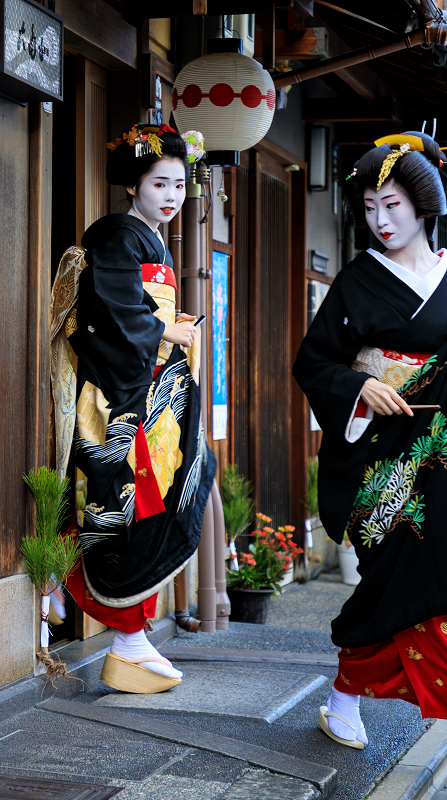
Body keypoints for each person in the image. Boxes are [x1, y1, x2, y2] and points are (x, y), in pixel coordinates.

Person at [293, 131, 447, 748]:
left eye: (394, 206)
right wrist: (360, 389)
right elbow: (313, 362)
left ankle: (351, 696)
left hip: (440, 453)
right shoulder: (357, 281)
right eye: (370, 207)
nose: (381, 220)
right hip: (378, 458)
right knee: (393, 580)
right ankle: (345, 695)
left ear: (424, 206)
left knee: (435, 580)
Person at [50, 123, 215, 693]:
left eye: (178, 185)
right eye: (160, 183)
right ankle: (120, 633)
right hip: (119, 398)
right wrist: (165, 328)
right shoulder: (117, 237)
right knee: (126, 504)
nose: (171, 196)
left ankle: (131, 639)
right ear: (132, 187)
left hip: (146, 390)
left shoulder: (146, 238)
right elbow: (112, 316)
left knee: (154, 500)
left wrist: (166, 335)